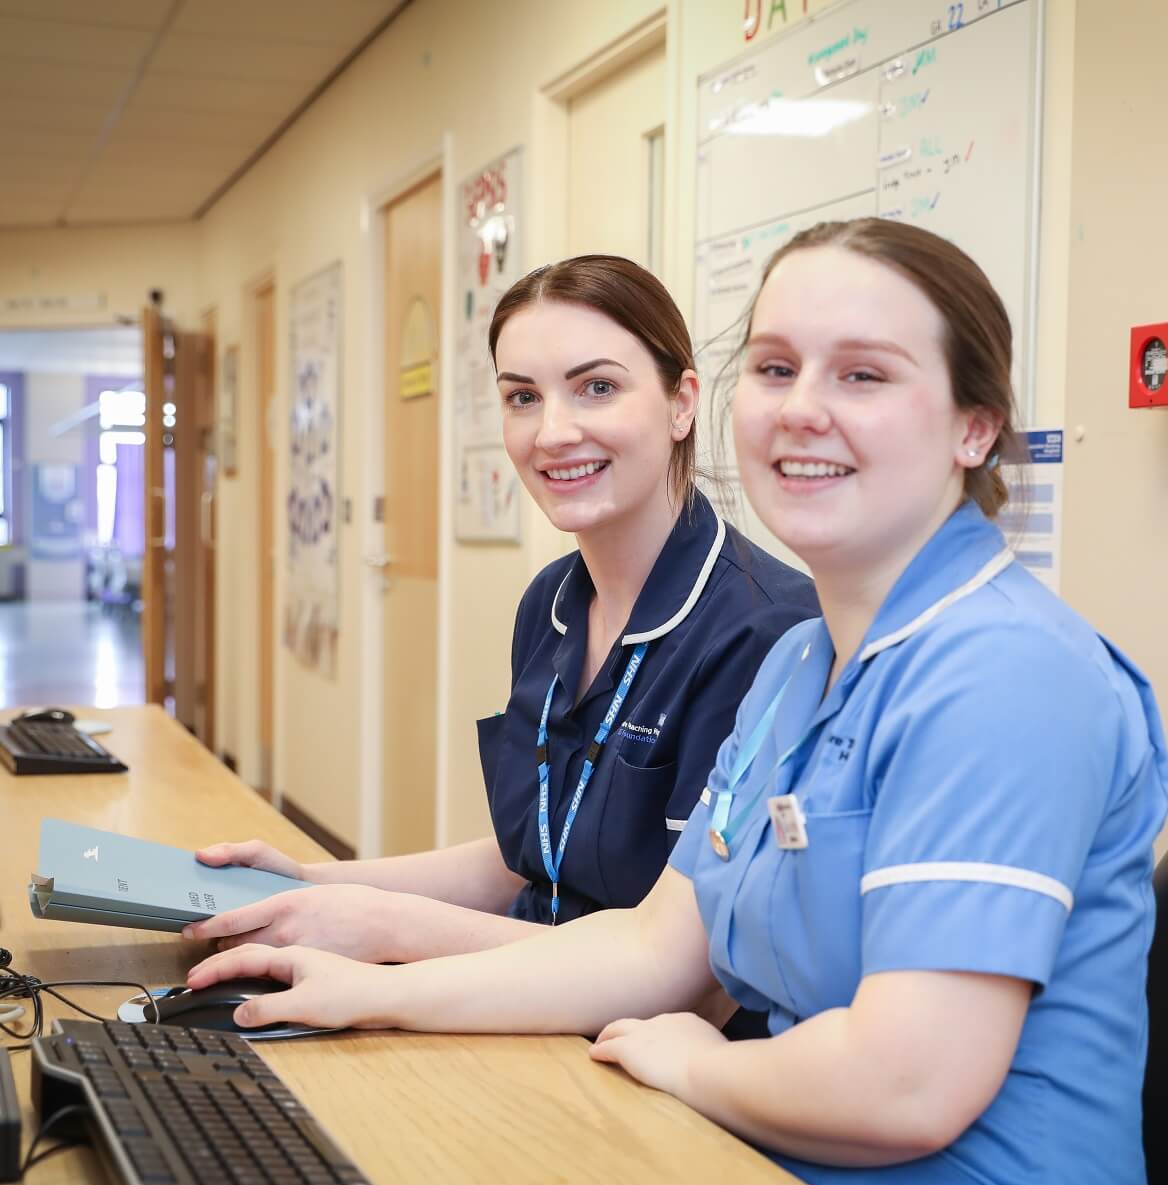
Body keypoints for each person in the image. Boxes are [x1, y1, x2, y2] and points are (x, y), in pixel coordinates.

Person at [186, 220, 1168, 1185]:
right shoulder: (804, 663)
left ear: (975, 427)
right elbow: (656, 947)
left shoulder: (1005, 674)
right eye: (778, 366)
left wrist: (700, 1066)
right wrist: (365, 986)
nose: (802, 408)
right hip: (772, 1174)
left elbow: (907, 1084)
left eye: (864, 374)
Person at [183, 256, 816, 987]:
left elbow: (687, 967)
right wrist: (308, 884)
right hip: (512, 1000)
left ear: (682, 404)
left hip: (640, 1042)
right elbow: (536, 855)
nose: (551, 433)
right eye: (523, 398)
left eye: (598, 388)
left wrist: (381, 928)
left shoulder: (764, 633)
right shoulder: (551, 605)